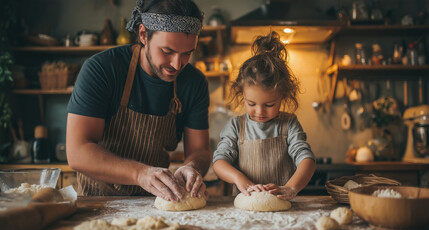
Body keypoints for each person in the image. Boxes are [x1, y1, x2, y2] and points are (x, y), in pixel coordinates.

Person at [66, 0, 211, 201]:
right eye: (167, 51)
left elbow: (200, 150)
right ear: (143, 35)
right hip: (98, 202)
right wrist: (140, 174)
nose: (177, 65)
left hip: (157, 201)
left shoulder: (194, 83)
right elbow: (77, 152)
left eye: (187, 54)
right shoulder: (101, 69)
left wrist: (191, 167)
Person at [213, 31, 316, 200]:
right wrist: (241, 180)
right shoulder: (236, 126)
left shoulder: (288, 124)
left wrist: (291, 187)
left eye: (269, 104)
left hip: (284, 207)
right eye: (251, 104)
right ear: (242, 96)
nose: (260, 112)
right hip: (246, 208)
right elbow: (219, 163)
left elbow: (307, 160)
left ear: (283, 96)